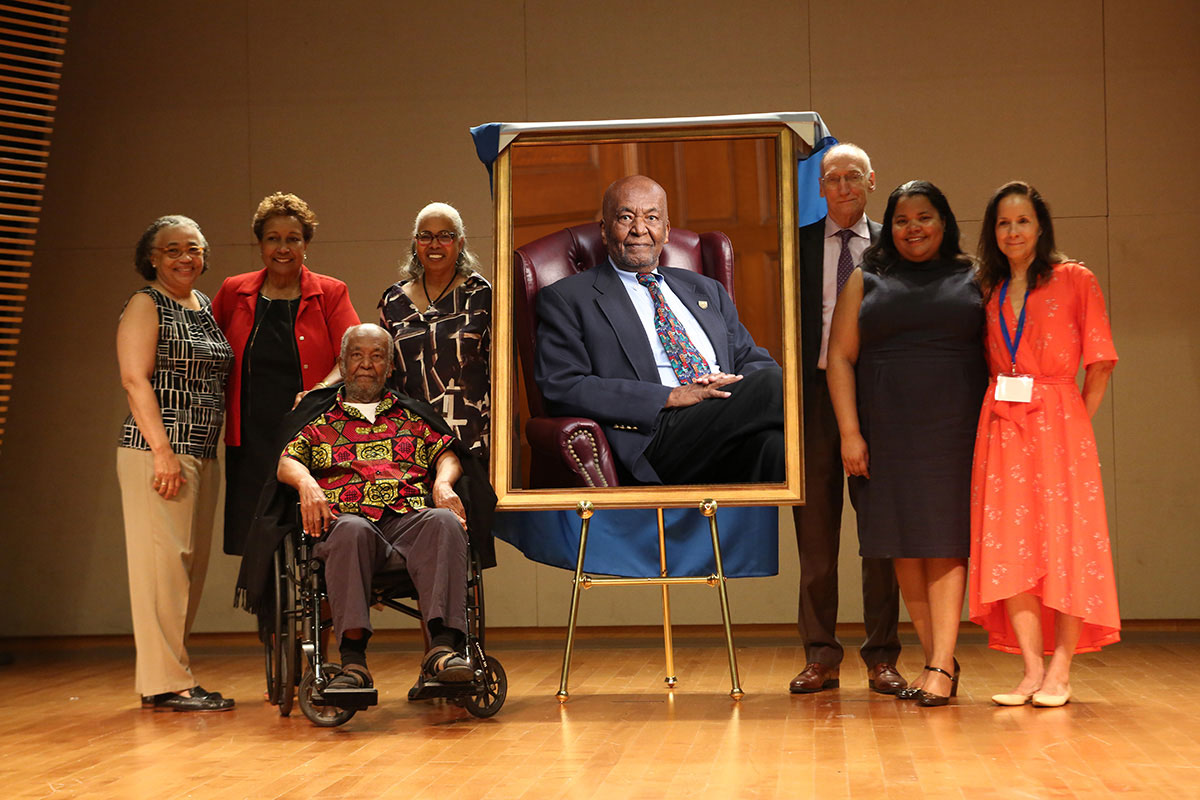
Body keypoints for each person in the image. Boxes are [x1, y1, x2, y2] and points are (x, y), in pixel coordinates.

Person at [826, 181, 987, 707]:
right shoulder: (866, 278)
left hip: (955, 429)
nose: (912, 227)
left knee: (942, 543)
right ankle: (937, 659)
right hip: (885, 429)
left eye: (924, 217)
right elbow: (841, 358)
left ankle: (940, 662)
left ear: (944, 222)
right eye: (901, 219)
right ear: (888, 226)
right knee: (901, 546)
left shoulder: (975, 276)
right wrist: (850, 432)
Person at [969, 181, 1119, 708]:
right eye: (1004, 223)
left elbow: (1099, 363)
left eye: (1023, 221)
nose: (1013, 231)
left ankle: (1061, 670)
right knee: (1010, 546)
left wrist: (1074, 421)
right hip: (1003, 425)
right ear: (994, 232)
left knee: (1065, 545)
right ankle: (1031, 671)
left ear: (1041, 227)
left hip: (1059, 424)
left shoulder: (1075, 279)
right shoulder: (985, 288)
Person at [535, 174, 784, 485]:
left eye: (651, 218)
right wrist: (670, 396)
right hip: (653, 435)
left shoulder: (705, 289)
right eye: (626, 217)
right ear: (604, 229)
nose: (640, 229)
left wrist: (730, 381)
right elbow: (562, 386)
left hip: (723, 414)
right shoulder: (569, 298)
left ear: (666, 231)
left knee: (775, 445)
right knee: (780, 387)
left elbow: (751, 358)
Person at [275, 324, 480, 690]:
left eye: (377, 356)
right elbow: (287, 462)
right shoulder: (320, 419)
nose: (366, 365)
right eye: (357, 355)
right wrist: (307, 482)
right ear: (342, 362)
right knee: (350, 529)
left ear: (389, 367)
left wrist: (443, 483)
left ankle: (443, 651)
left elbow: (448, 454)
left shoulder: (410, 416)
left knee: (444, 522)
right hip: (350, 523)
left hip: (409, 521)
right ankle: (353, 663)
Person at [790, 143, 904, 696]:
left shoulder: (894, 245)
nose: (842, 187)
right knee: (815, 539)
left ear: (872, 181)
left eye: (853, 177)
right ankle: (820, 655)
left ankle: (883, 655)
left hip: (877, 397)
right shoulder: (798, 245)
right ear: (820, 188)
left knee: (880, 535)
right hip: (812, 397)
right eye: (832, 178)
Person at [116, 215, 235, 711]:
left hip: (202, 451)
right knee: (162, 571)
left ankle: (168, 677)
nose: (185, 257)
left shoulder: (203, 306)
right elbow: (134, 379)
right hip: (159, 453)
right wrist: (162, 451)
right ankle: (168, 683)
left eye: (193, 248)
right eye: (172, 250)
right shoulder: (147, 304)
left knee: (187, 568)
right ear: (152, 258)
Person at [212, 192, 360, 556]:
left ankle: (326, 611)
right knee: (257, 538)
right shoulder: (234, 290)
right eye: (273, 238)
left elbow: (353, 353)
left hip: (310, 430)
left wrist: (320, 389)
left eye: (293, 239)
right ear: (260, 244)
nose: (283, 247)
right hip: (249, 436)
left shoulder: (330, 292)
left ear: (306, 244)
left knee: (318, 536)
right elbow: (210, 349)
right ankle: (268, 614)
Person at [378, 202, 491, 461]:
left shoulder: (482, 295)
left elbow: (502, 374)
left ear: (460, 243)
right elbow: (385, 374)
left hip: (470, 439)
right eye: (425, 236)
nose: (434, 244)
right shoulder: (393, 301)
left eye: (445, 236)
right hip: (409, 439)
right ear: (415, 243)